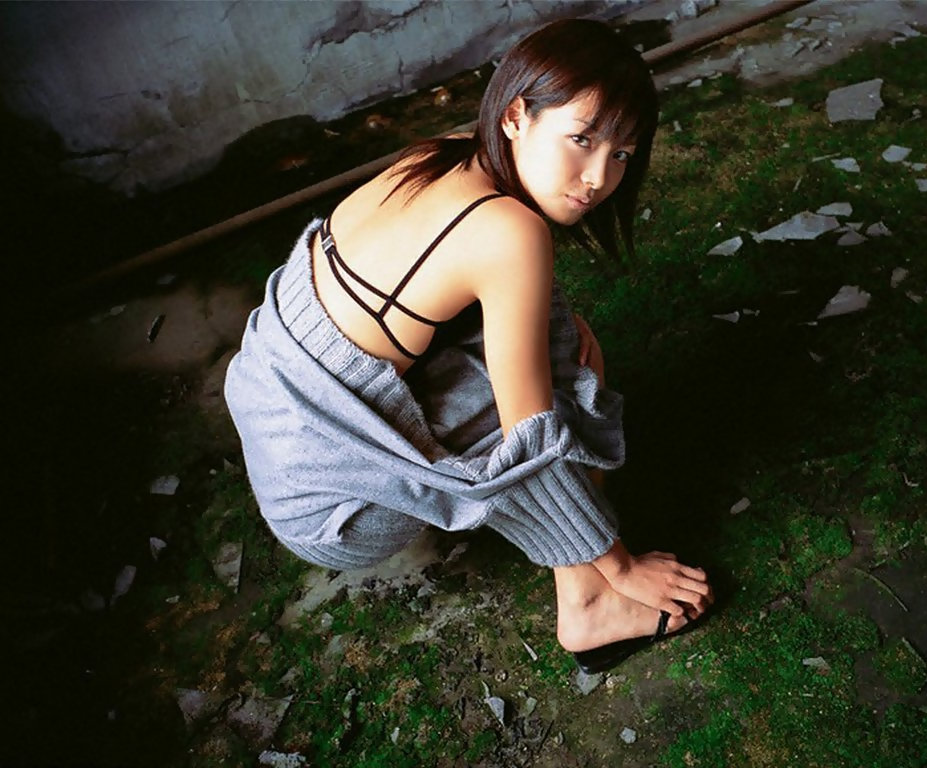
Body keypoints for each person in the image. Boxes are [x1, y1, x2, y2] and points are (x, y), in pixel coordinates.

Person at [225, 18, 713, 672]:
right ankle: (590, 602)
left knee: (564, 345)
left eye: (621, 154)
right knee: (568, 387)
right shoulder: (508, 229)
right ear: (516, 116)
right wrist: (620, 565)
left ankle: (585, 580)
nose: (598, 177)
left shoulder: (446, 154)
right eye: (581, 139)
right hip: (335, 505)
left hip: (282, 429)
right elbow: (530, 439)